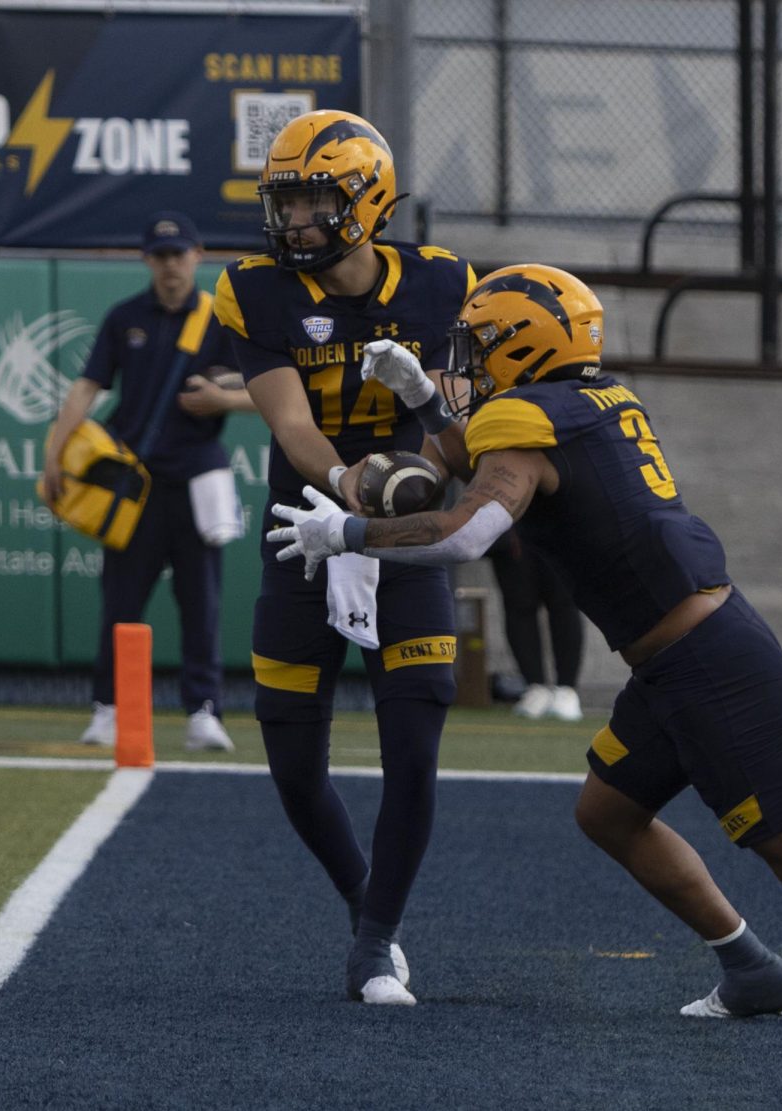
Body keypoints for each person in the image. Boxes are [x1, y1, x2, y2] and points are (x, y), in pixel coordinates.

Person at [268, 264, 782, 1035]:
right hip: (684, 657)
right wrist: (417, 398)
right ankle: (752, 966)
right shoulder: (587, 400)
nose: (464, 366)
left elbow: (468, 528)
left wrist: (348, 533)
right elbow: (481, 460)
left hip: (708, 668)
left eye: (479, 347)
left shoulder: (527, 420)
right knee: (608, 810)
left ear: (524, 347)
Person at [212, 109, 475, 1007]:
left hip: (406, 540)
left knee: (414, 743)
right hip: (303, 525)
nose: (295, 222)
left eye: (314, 202)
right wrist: (353, 483)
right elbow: (290, 425)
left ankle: (374, 942)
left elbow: (464, 441)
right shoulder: (251, 290)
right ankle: (367, 900)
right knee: (291, 758)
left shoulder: (446, 285)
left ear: (367, 198)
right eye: (284, 203)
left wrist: (420, 452)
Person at [42, 210, 254, 753]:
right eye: (160, 256)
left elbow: (267, 393)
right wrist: (54, 452)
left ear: (197, 255)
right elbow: (88, 387)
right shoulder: (124, 316)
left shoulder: (219, 320)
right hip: (132, 484)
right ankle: (107, 708)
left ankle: (203, 710)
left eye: (179, 254)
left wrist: (222, 399)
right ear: (147, 261)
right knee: (120, 600)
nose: (170, 266)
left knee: (201, 602)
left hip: (195, 482)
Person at [487, 525, 584, 721]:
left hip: (560, 519)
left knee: (564, 602)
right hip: (512, 520)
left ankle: (566, 689)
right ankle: (535, 686)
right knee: (518, 605)